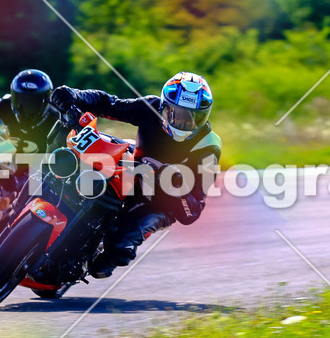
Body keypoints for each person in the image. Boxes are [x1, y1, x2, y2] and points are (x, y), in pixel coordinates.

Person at [51, 72, 222, 278]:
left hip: (159, 201)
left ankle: (108, 250)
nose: (185, 123)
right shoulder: (150, 107)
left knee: (115, 253)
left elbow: (191, 212)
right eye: (177, 114)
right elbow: (109, 104)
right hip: (132, 167)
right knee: (73, 141)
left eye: (195, 117)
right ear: (164, 106)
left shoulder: (209, 147)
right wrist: (76, 96)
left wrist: (177, 187)